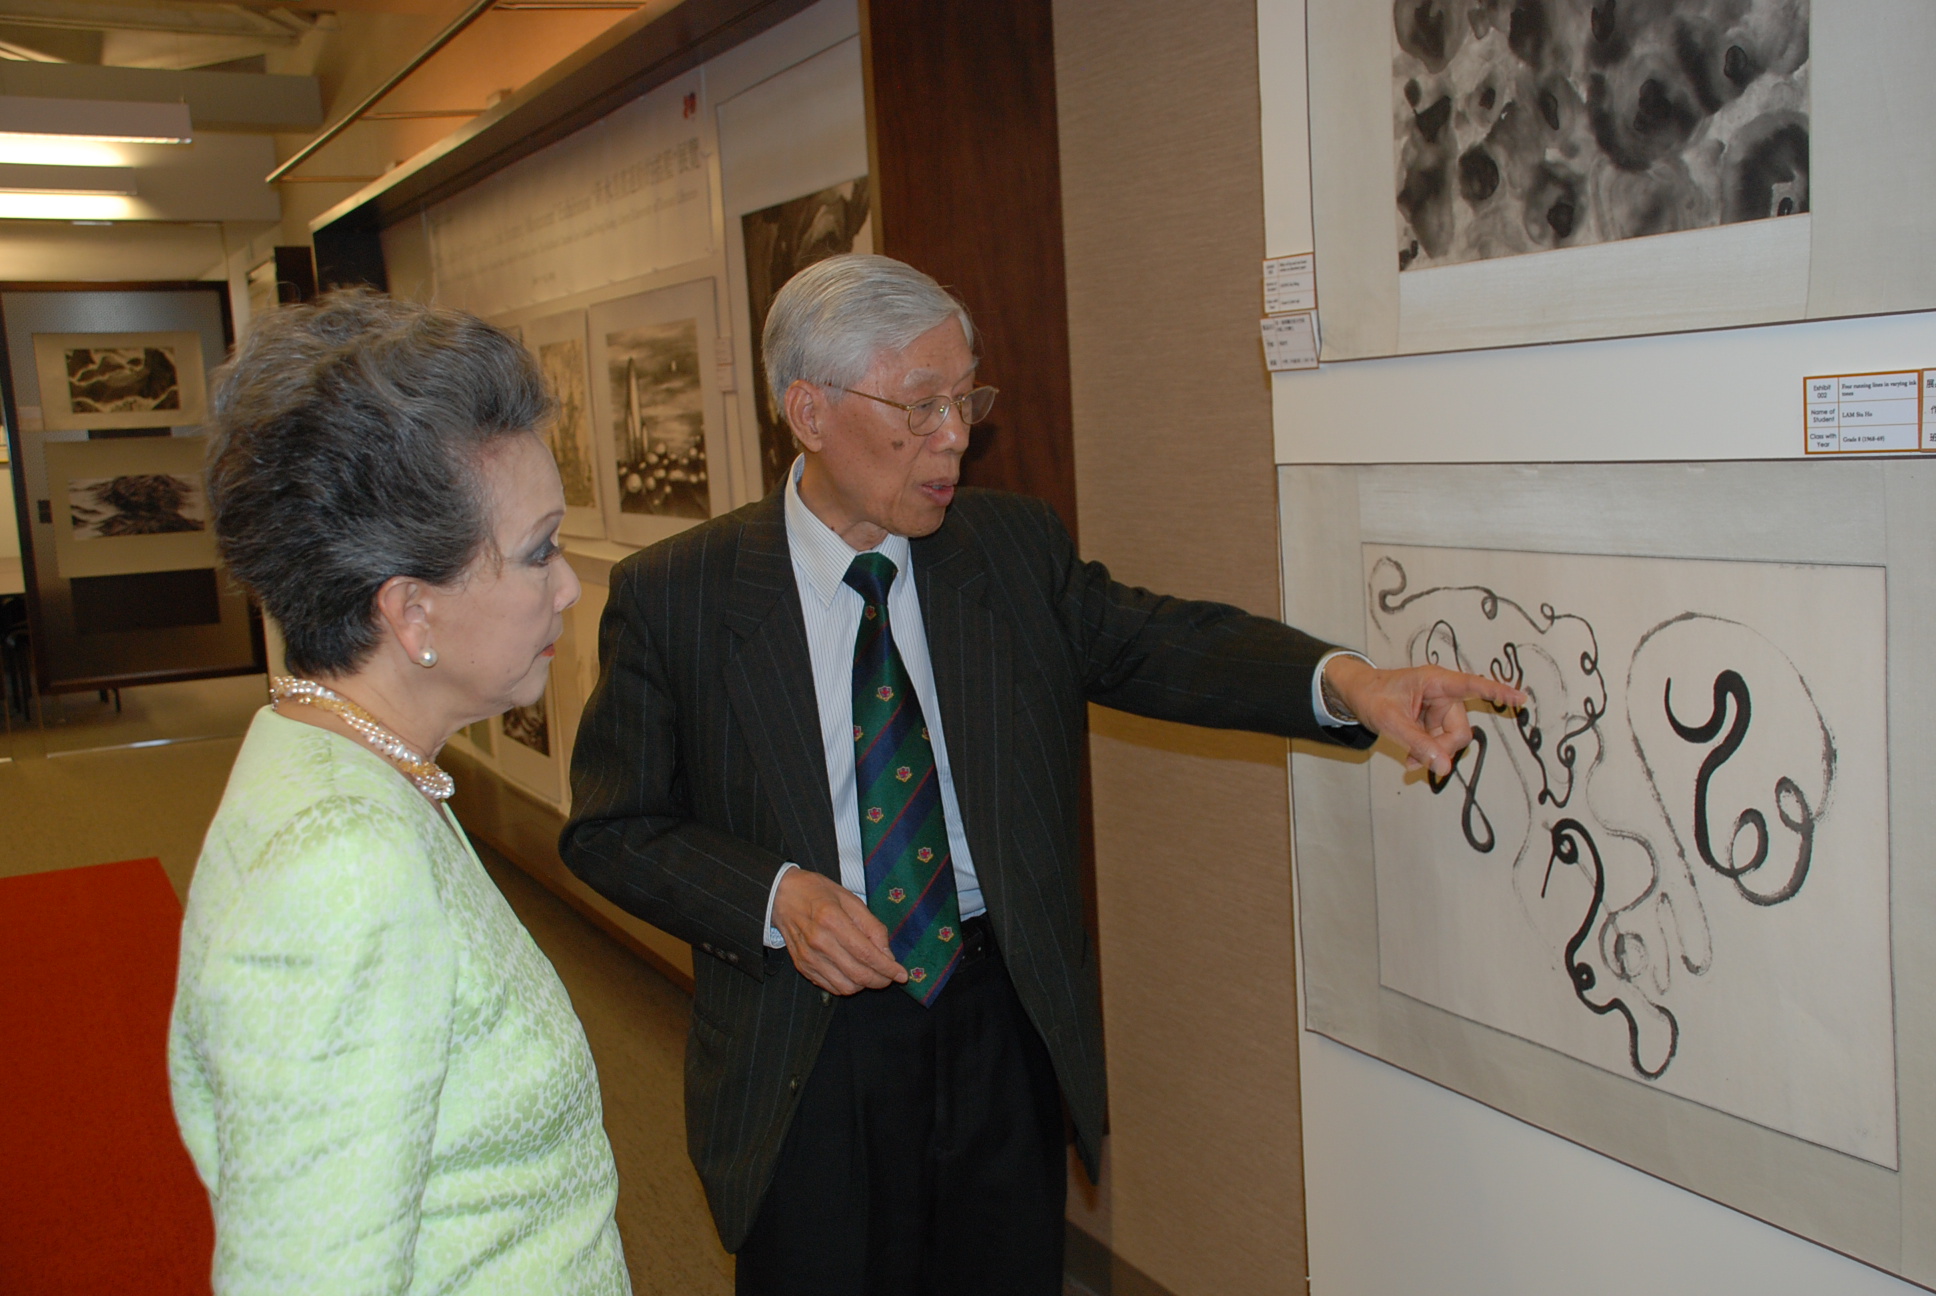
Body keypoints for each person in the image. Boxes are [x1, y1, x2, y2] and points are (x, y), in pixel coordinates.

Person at [561, 253, 1521, 1293]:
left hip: (997, 1017)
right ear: (810, 410)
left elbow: (1159, 642)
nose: (954, 437)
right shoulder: (682, 596)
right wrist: (776, 896)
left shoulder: (1008, 549)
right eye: (920, 405)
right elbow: (615, 828)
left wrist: (1349, 683)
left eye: (965, 400)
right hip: (808, 1036)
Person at [169, 290, 631, 1294]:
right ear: (411, 612)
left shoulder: (342, 758)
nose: (567, 588)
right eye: (540, 550)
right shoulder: (342, 865)